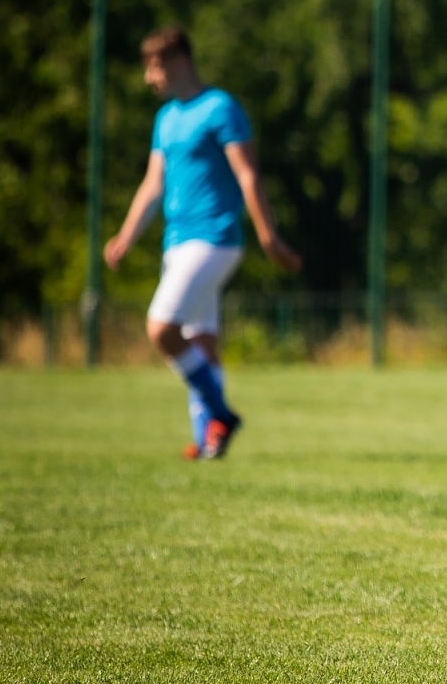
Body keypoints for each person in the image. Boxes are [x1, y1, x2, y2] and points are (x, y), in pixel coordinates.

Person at [105, 26, 301, 459]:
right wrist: (126, 235)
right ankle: (207, 440)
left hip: (214, 238)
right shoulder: (166, 119)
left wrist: (268, 237)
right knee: (200, 341)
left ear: (179, 61)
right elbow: (152, 185)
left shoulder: (220, 108)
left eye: (154, 67)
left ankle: (220, 414)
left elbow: (248, 175)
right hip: (176, 242)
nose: (148, 78)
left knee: (161, 328)